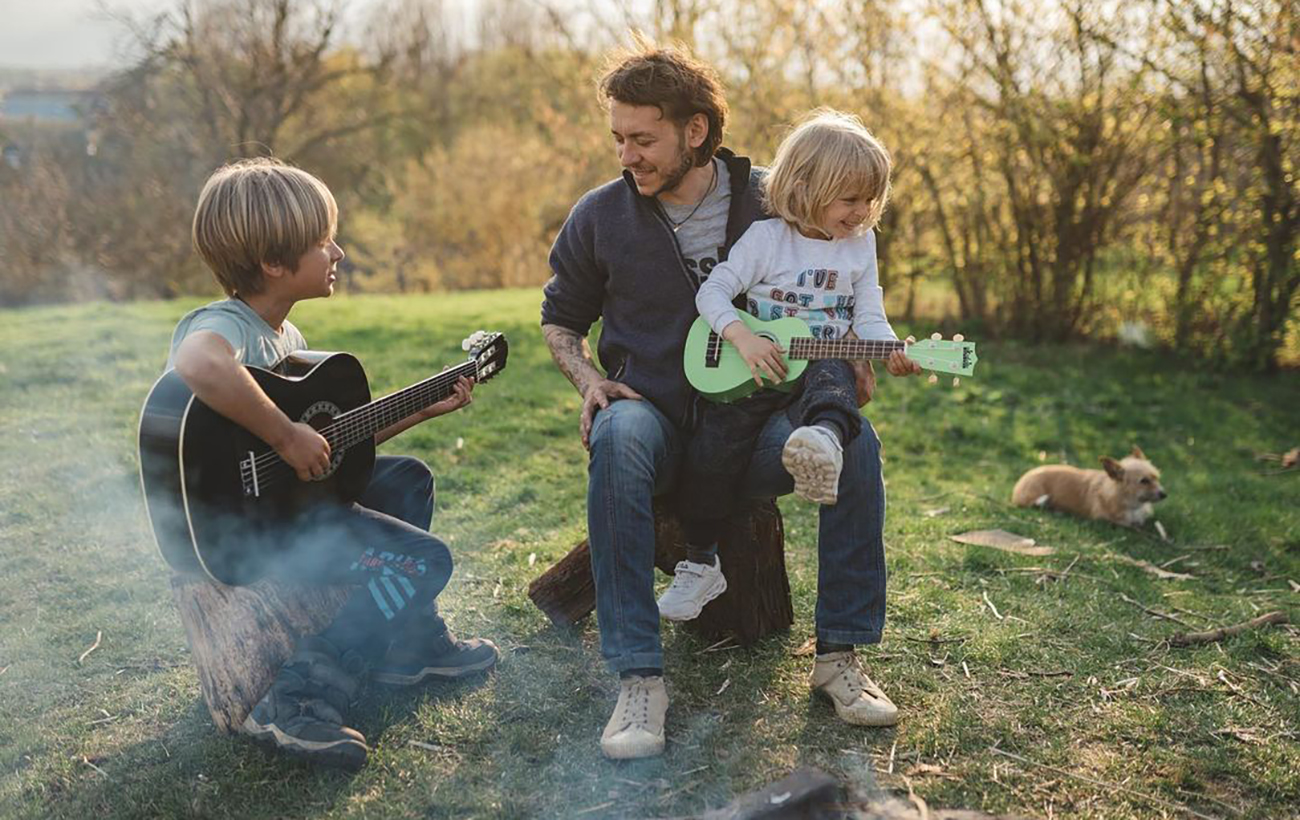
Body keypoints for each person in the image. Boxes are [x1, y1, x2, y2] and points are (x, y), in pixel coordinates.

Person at [540, 41, 921, 762]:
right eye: (618, 137)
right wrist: (589, 381)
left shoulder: (780, 200)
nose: (627, 155)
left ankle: (840, 658)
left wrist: (852, 355)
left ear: (694, 131)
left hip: (757, 428)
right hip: (650, 416)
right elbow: (560, 319)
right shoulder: (598, 216)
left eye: (643, 139)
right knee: (617, 435)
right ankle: (639, 681)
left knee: (856, 444)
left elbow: (841, 287)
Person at [168, 157, 499, 771]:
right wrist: (286, 435)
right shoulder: (223, 327)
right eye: (324, 242)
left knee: (407, 478)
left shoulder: (285, 340)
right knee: (426, 560)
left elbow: (334, 442)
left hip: (290, 506)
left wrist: (422, 410)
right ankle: (300, 690)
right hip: (249, 527)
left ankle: (409, 645)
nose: (338, 251)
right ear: (273, 262)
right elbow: (198, 365)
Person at [666, 108, 918, 624]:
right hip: (754, 370)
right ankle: (698, 563)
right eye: (849, 199)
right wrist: (742, 336)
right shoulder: (767, 239)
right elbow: (713, 291)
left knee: (832, 370)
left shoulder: (860, 245)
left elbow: (869, 315)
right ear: (805, 188)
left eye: (870, 199)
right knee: (711, 450)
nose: (861, 211)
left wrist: (891, 347)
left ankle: (822, 441)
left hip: (819, 368)